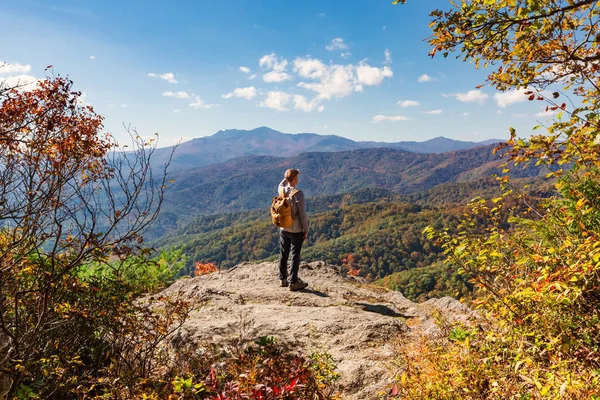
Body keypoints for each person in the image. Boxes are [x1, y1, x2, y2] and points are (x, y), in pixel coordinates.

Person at [277, 168, 309, 291]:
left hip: (284, 227)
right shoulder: (298, 194)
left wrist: (287, 177)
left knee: (283, 253)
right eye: (297, 177)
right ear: (295, 179)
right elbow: (302, 214)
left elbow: (281, 184)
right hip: (296, 230)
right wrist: (305, 229)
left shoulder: (282, 190)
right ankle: (293, 282)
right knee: (295, 255)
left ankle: (282, 279)